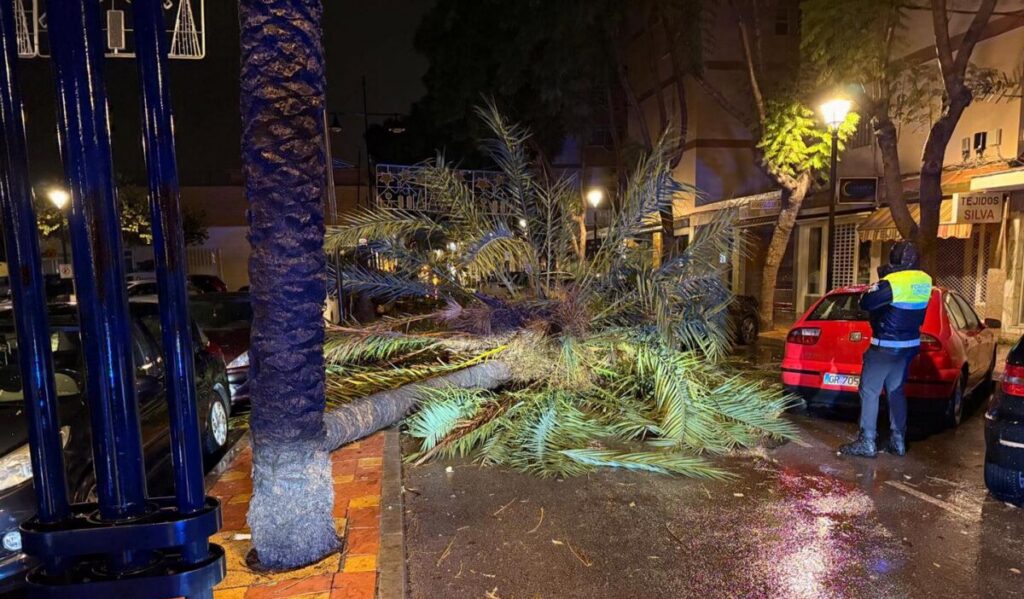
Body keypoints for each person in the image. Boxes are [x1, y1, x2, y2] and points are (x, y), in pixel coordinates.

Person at [839, 241, 932, 458]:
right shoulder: (925, 280)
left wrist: (881, 280)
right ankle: (898, 440)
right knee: (896, 391)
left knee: (869, 391)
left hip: (885, 346)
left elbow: (866, 302)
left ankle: (867, 442)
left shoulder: (893, 282)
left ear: (895, 259)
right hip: (908, 346)